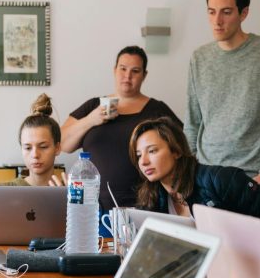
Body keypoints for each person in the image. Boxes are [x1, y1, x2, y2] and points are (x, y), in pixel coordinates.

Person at [129, 116, 260, 276]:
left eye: (152, 151)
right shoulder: (153, 198)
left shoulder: (220, 180)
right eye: (138, 155)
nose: (143, 161)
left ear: (176, 151)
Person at [184, 0, 260, 188]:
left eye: (226, 12)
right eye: (211, 11)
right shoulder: (199, 57)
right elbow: (192, 123)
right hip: (206, 175)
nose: (217, 21)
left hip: (253, 178)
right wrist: (191, 170)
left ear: (243, 13)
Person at [61, 45, 181, 211]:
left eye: (135, 71)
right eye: (123, 69)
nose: (127, 76)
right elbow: (62, 143)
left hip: (145, 205)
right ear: (114, 70)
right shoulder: (93, 106)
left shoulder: (157, 109)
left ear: (144, 75)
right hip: (92, 207)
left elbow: (182, 149)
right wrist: (91, 120)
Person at [0, 94, 63, 187]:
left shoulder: (70, 193)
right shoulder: (2, 191)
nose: (35, 155)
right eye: (28, 148)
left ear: (57, 148)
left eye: (43, 147)